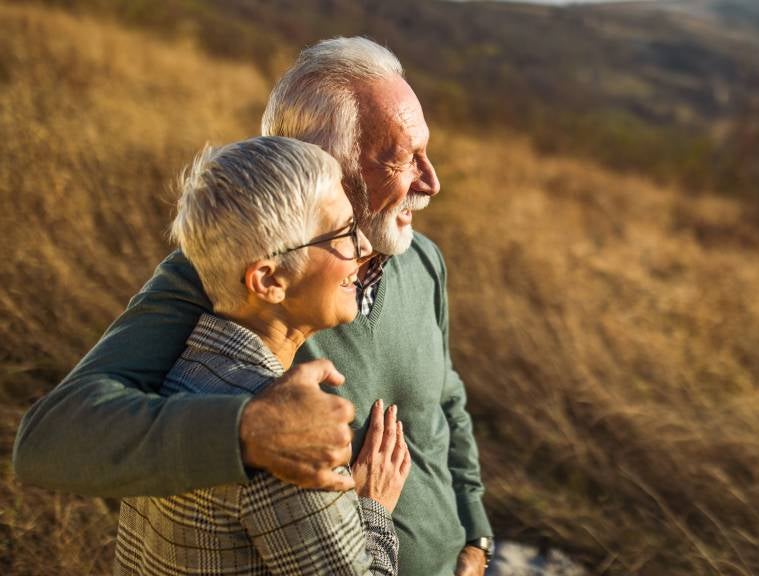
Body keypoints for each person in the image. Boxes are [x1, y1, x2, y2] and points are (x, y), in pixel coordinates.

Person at [13, 37, 494, 575]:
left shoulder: (423, 260)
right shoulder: (220, 279)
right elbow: (50, 442)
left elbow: (447, 402)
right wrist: (248, 430)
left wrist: (475, 539)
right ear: (321, 163)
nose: (432, 182)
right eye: (404, 158)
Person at [116, 136, 407, 575]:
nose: (364, 249)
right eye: (344, 233)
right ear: (269, 280)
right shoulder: (287, 441)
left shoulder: (170, 374)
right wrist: (373, 510)